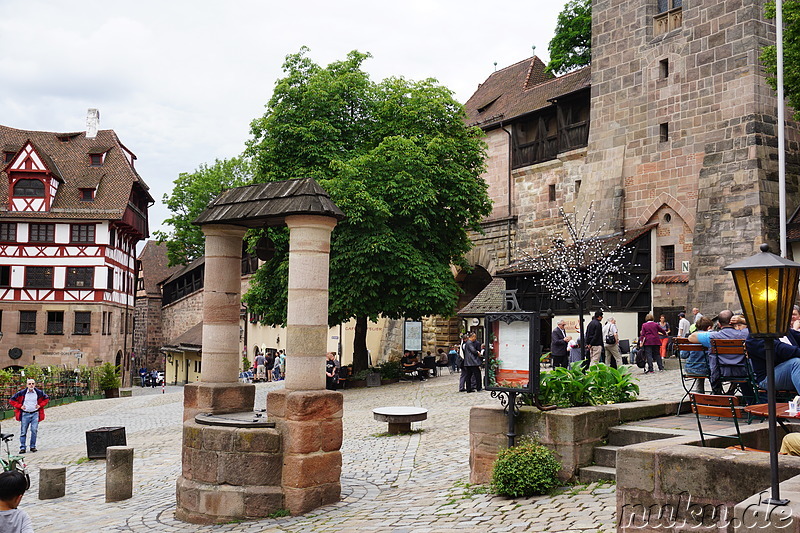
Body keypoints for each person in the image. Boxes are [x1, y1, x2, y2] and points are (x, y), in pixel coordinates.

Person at [688, 309, 750, 392]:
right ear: (734, 323)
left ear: (719, 324)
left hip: (720, 373)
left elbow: (691, 337)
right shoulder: (745, 334)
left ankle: (720, 396)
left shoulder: (713, 336)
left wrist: (708, 332)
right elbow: (760, 328)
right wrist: (743, 321)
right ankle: (748, 400)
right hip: (743, 372)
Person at [8, 379, 49, 454]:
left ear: (35, 384)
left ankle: (32, 446)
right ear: (26, 385)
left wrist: (40, 405)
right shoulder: (22, 393)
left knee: (34, 430)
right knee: (23, 431)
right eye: (29, 384)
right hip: (25, 414)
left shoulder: (39, 393)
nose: (31, 385)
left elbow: (46, 399)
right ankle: (22, 447)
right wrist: (20, 406)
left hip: (35, 413)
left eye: (32, 383)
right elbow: (12, 400)